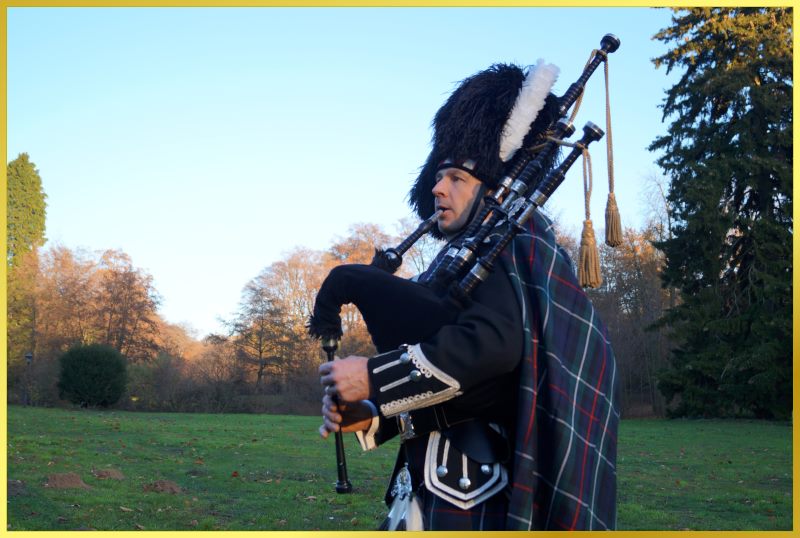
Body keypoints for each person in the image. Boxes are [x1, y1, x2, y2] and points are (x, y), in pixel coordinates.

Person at [318, 62, 619, 531]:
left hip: (473, 494)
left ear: (493, 189)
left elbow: (493, 347)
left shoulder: (515, 239)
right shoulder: (468, 251)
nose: (438, 187)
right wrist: (374, 416)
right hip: (434, 483)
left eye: (456, 177)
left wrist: (374, 377)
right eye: (440, 176)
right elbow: (468, 392)